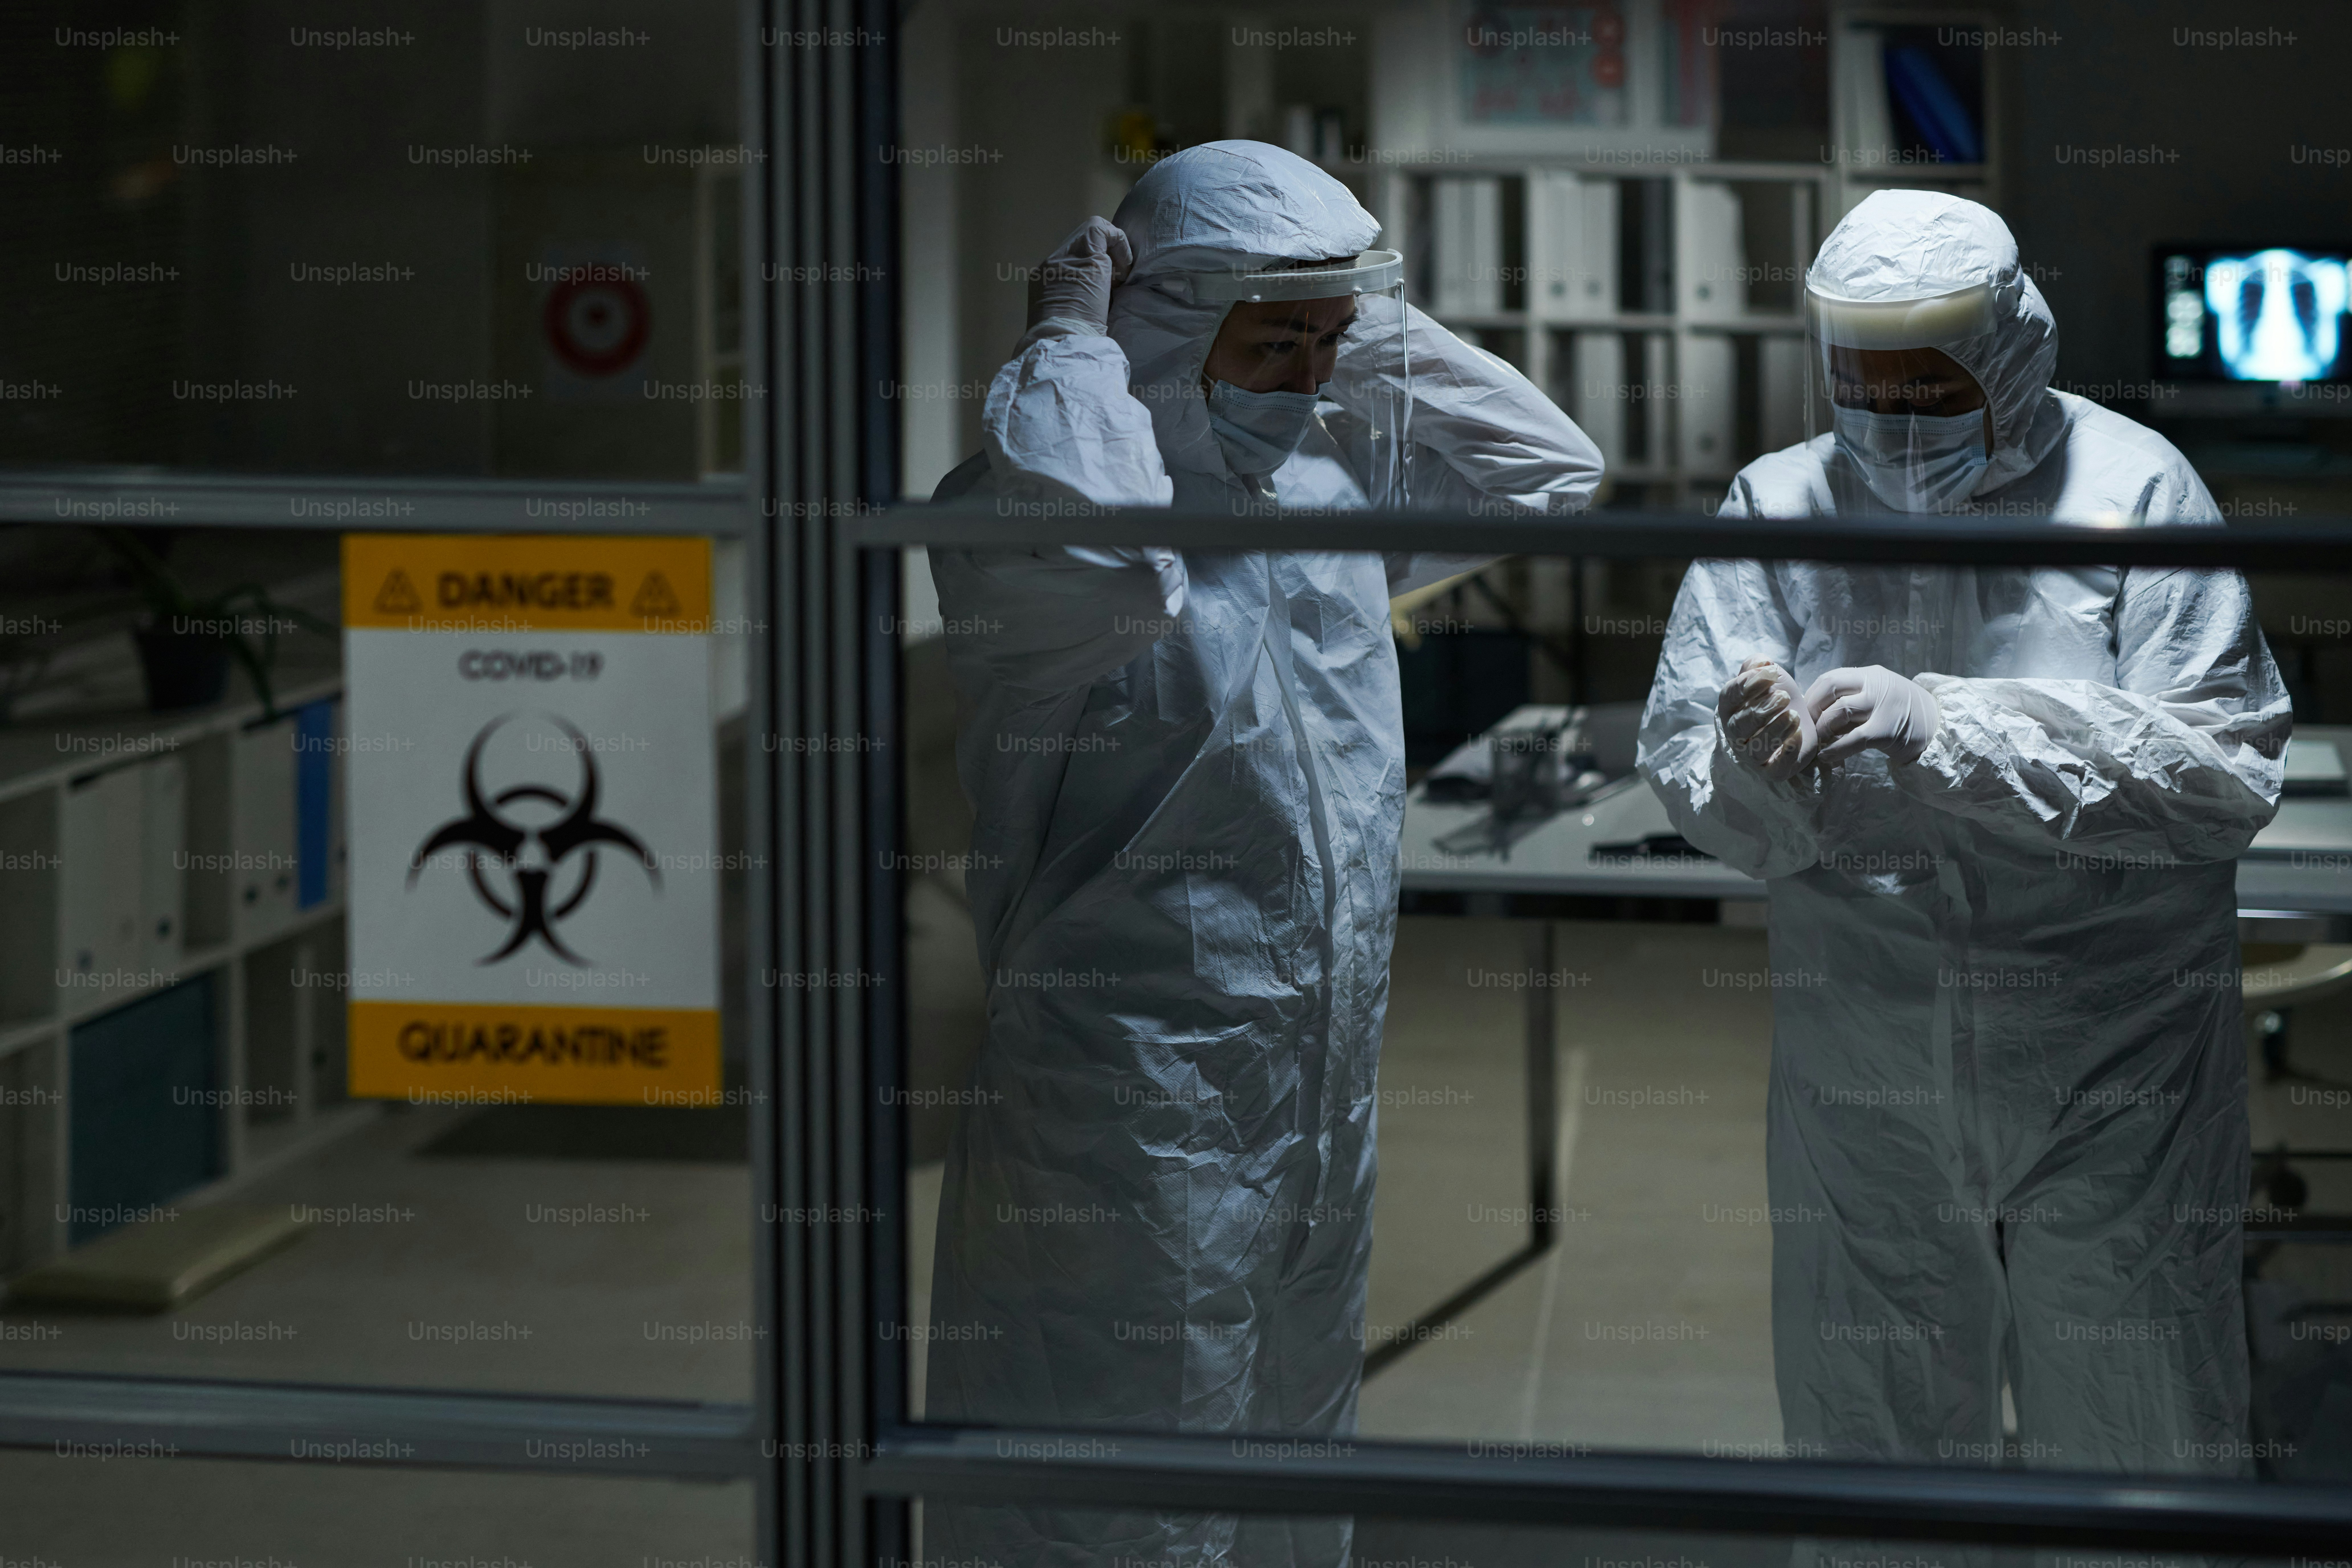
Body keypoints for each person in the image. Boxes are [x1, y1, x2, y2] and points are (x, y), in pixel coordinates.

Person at [924, 140, 1602, 1568]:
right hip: (1134, 1109)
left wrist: (1351, 308)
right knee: (1122, 1504)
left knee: (1295, 1469)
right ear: (1166, 328)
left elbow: (1551, 472)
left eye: (1329, 343)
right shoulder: (1013, 512)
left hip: (1318, 1085)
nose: (1308, 378)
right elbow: (1108, 560)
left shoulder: (1325, 492)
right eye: (1273, 342)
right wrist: (1075, 347)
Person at [1639, 189, 2290, 1477]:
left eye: (1928, 393)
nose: (1892, 427)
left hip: (2112, 1060)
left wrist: (1948, 725)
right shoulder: (1780, 506)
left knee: (2139, 1427)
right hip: (1864, 1061)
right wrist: (1752, 771)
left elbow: (2221, 774)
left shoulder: (2135, 489)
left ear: (2007, 358)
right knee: (1872, 1433)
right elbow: (1703, 787)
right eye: (1862, 392)